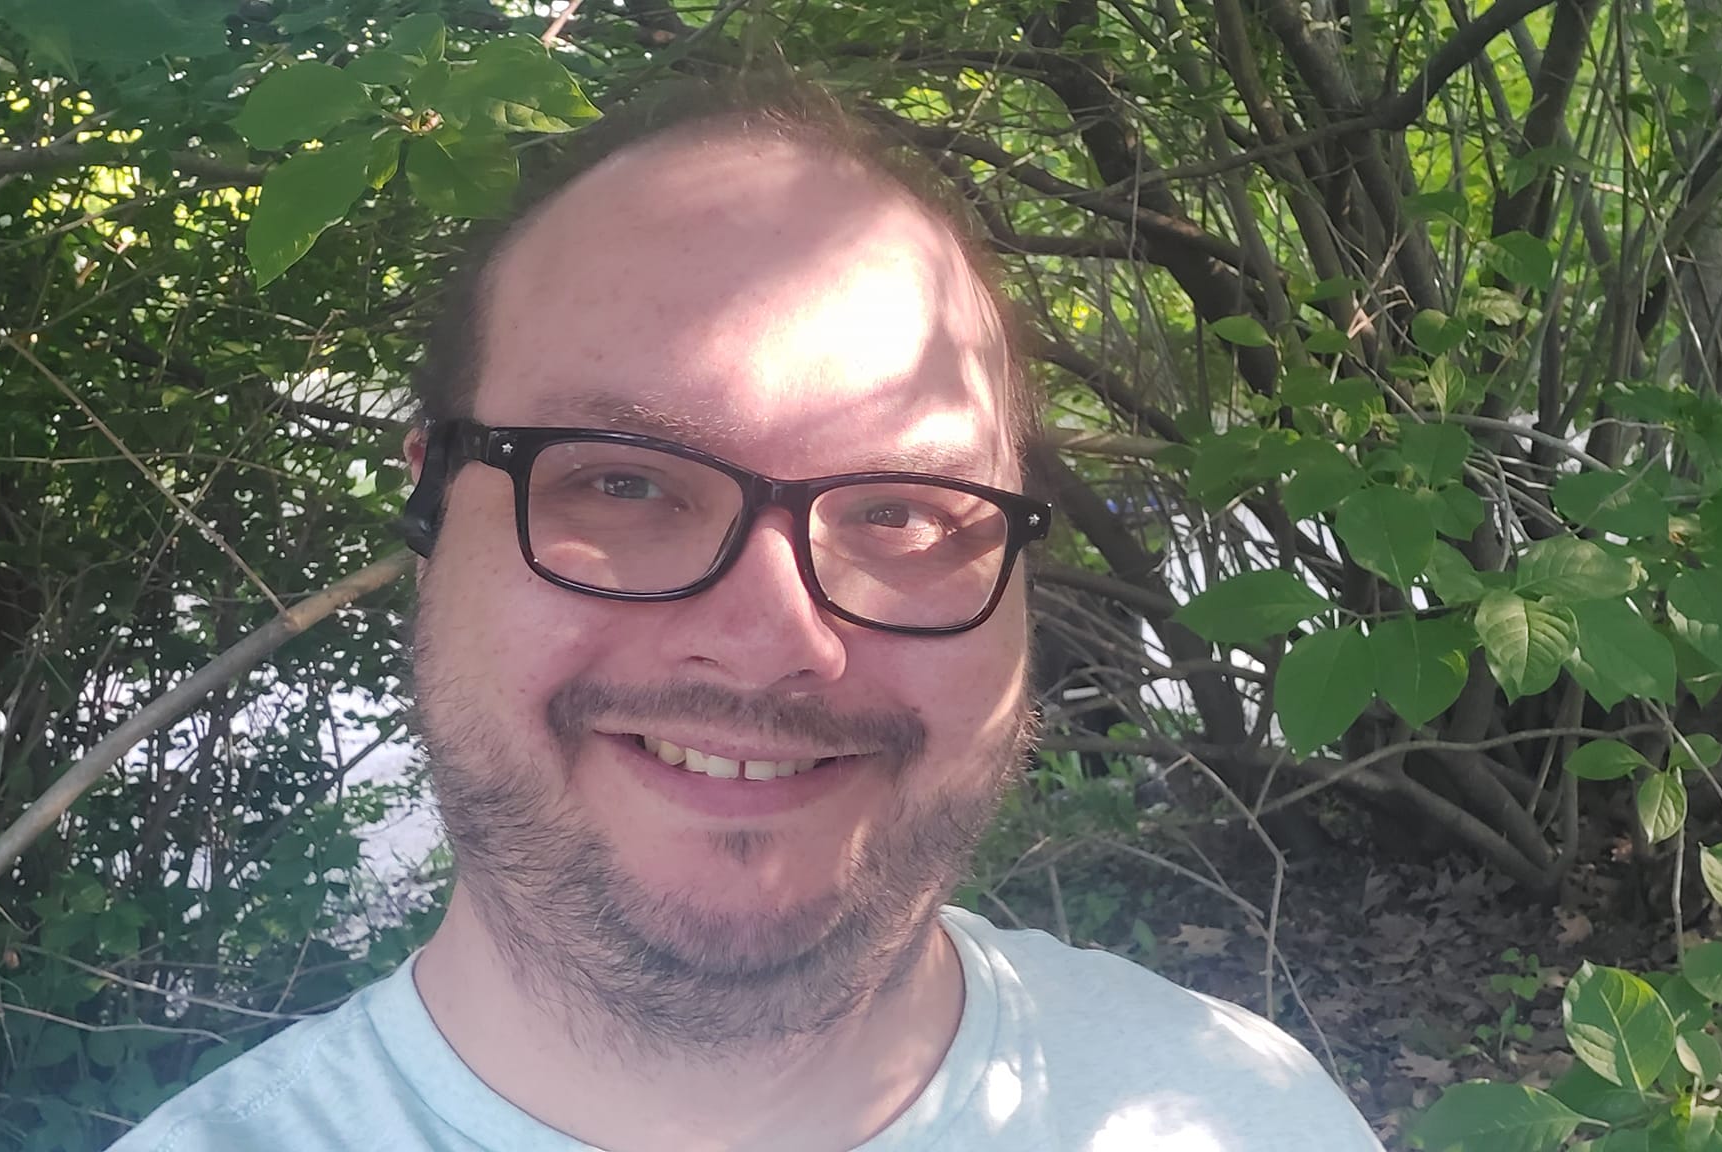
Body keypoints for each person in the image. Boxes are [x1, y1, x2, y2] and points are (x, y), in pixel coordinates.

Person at [112, 77, 1385, 1152]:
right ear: (432, 506)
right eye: (620, 482)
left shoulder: (1244, 1116)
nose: (774, 638)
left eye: (901, 511)